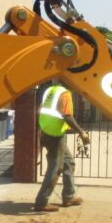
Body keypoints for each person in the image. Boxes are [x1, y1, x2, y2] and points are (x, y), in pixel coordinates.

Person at [34, 80, 90, 212]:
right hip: (55, 135)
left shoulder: (50, 90)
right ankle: (41, 202)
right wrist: (81, 132)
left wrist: (41, 130)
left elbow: (40, 111)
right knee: (55, 167)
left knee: (69, 163)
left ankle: (68, 197)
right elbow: (67, 116)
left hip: (47, 131)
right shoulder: (65, 94)